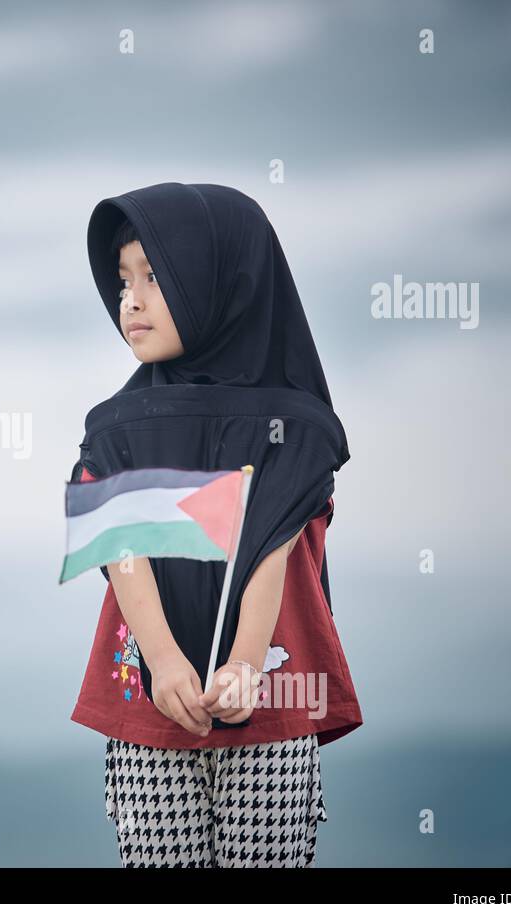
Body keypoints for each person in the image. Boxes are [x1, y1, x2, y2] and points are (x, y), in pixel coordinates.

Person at [67, 183, 362, 867]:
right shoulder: (115, 426)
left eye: (153, 275)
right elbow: (121, 543)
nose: (130, 300)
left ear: (219, 282)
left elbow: (270, 542)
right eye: (122, 281)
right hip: (149, 707)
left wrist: (245, 663)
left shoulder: (295, 425)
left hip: (268, 702)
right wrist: (164, 660)